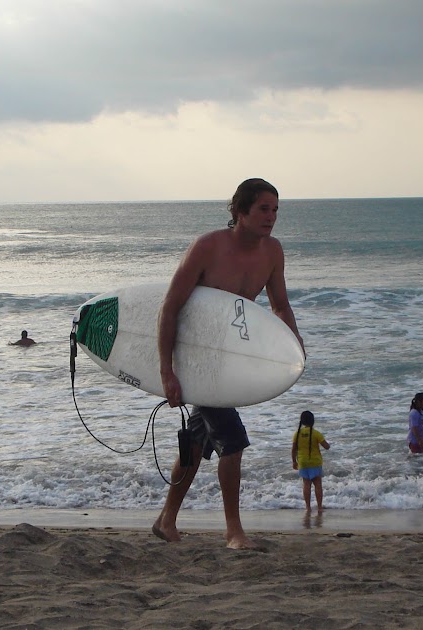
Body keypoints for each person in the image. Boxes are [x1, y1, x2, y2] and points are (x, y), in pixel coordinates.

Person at [152, 177, 303, 550]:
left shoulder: (273, 252)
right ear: (240, 211)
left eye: (276, 210)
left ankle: (166, 521)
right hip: (195, 356)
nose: (272, 217)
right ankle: (234, 532)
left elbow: (279, 305)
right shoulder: (208, 247)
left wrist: (295, 347)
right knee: (232, 443)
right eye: (264, 209)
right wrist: (166, 371)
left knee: (198, 440)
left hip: (227, 359)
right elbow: (169, 307)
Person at [291, 410, 331, 513]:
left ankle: (308, 508)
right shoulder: (316, 433)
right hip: (315, 462)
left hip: (303, 462)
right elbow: (326, 446)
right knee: (318, 485)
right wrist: (329, 445)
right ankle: (319, 507)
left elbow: (293, 449)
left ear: (302, 422)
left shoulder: (297, 434)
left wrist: (294, 462)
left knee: (306, 484)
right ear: (313, 421)